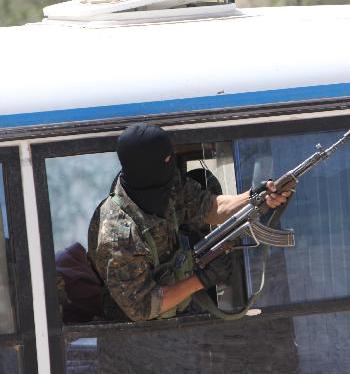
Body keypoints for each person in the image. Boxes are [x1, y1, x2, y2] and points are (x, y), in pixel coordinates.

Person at [88, 123, 290, 322]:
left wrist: (255, 196)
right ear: (147, 167)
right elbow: (144, 306)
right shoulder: (117, 234)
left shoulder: (165, 183)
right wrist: (201, 280)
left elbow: (211, 208)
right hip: (132, 334)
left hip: (177, 311)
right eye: (167, 158)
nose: (171, 162)